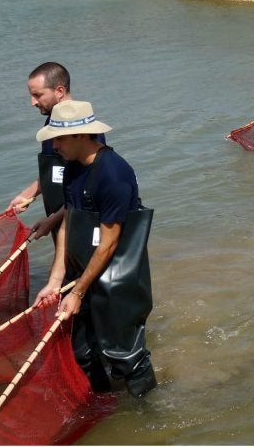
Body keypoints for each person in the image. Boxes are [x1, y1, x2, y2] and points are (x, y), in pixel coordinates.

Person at [31, 99, 157, 398]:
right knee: (83, 349)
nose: (55, 145)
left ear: (81, 135)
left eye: (58, 138)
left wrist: (76, 293)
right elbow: (69, 224)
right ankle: (102, 404)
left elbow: (109, 242)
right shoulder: (74, 169)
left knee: (125, 355)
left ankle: (150, 413)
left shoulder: (113, 174)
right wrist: (55, 281)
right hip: (83, 271)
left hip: (118, 276)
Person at [8, 62, 97, 240]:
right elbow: (56, 172)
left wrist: (53, 220)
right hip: (59, 221)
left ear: (60, 91)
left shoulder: (82, 130)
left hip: (81, 226)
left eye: (38, 95)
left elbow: (88, 187)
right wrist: (27, 195)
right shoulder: (51, 125)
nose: (32, 102)